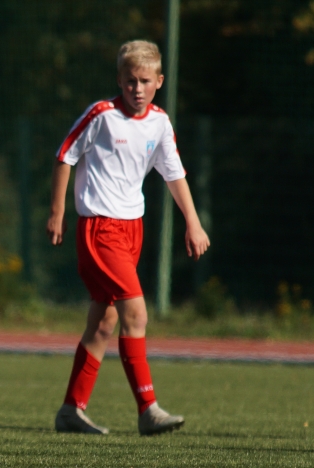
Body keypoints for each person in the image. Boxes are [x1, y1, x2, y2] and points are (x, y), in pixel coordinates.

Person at [46, 40, 210, 436]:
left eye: (145, 81)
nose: (136, 88)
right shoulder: (101, 115)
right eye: (130, 80)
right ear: (119, 79)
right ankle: (148, 409)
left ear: (159, 82)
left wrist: (193, 220)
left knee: (104, 323)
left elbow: (174, 173)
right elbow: (65, 156)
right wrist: (57, 212)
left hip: (131, 230)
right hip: (99, 229)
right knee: (136, 314)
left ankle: (71, 410)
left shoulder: (159, 123)